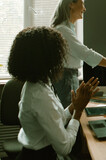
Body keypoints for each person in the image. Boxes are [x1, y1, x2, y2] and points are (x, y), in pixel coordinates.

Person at [8, 26, 99, 159]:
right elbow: (65, 147)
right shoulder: (39, 95)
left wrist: (74, 105)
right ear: (45, 58)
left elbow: (56, 119)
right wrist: (78, 112)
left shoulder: (36, 85)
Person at [51, 0, 106, 108]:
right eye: (82, 4)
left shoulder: (67, 29)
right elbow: (86, 54)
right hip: (65, 79)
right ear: (71, 4)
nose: (84, 9)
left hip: (69, 77)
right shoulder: (63, 30)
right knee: (70, 114)